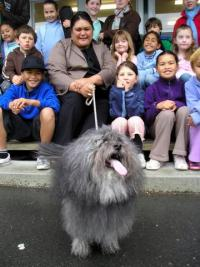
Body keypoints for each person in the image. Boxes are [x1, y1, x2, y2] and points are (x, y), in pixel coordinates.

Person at [48, 11, 116, 145]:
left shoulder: (101, 47)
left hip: (98, 95)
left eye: (86, 29)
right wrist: (78, 87)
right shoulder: (62, 46)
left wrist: (90, 81)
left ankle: (82, 155)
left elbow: (111, 69)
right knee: (73, 103)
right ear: (71, 31)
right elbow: (55, 72)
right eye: (78, 29)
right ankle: (59, 151)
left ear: (92, 30)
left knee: (93, 129)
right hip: (72, 93)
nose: (83, 33)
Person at [0, 55, 60, 169]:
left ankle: (44, 154)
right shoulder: (16, 87)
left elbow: (55, 105)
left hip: (39, 130)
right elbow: (2, 100)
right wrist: (11, 105)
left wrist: (32, 102)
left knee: (48, 111)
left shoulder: (46, 87)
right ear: (22, 74)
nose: (33, 77)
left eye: (38, 73)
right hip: (19, 130)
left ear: (42, 75)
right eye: (29, 72)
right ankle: (2, 152)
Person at [144, 51, 189, 171]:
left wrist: (177, 104)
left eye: (171, 63)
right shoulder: (151, 88)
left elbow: (189, 104)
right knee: (167, 114)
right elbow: (147, 117)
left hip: (179, 129)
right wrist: (157, 106)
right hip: (158, 128)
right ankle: (158, 157)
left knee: (185, 110)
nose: (167, 67)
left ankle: (180, 154)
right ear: (156, 68)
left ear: (177, 66)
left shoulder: (183, 85)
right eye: (162, 64)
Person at [109, 61, 146, 168]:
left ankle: (138, 153)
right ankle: (118, 154)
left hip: (135, 129)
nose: (126, 77)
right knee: (120, 120)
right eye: (122, 75)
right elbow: (116, 113)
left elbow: (137, 112)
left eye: (130, 74)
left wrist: (129, 94)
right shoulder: (113, 91)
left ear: (136, 78)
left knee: (134, 119)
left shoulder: (140, 92)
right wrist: (120, 92)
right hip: (121, 127)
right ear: (117, 78)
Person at [2, 25, 42, 91]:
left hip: (32, 81)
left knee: (45, 84)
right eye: (24, 38)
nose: (27, 41)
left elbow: (41, 72)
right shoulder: (12, 54)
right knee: (5, 85)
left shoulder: (38, 55)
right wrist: (13, 77)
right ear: (17, 40)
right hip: (16, 83)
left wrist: (26, 78)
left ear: (34, 43)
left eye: (30, 38)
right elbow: (6, 71)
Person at [35, 0, 64, 65]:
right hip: (45, 66)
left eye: (51, 11)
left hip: (61, 65)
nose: (49, 15)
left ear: (57, 11)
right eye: (46, 12)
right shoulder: (41, 29)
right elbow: (38, 49)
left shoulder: (62, 27)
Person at [185, 48, 200, 170]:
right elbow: (192, 103)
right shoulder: (189, 84)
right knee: (194, 122)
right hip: (197, 113)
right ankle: (195, 157)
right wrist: (196, 117)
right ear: (193, 68)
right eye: (199, 66)